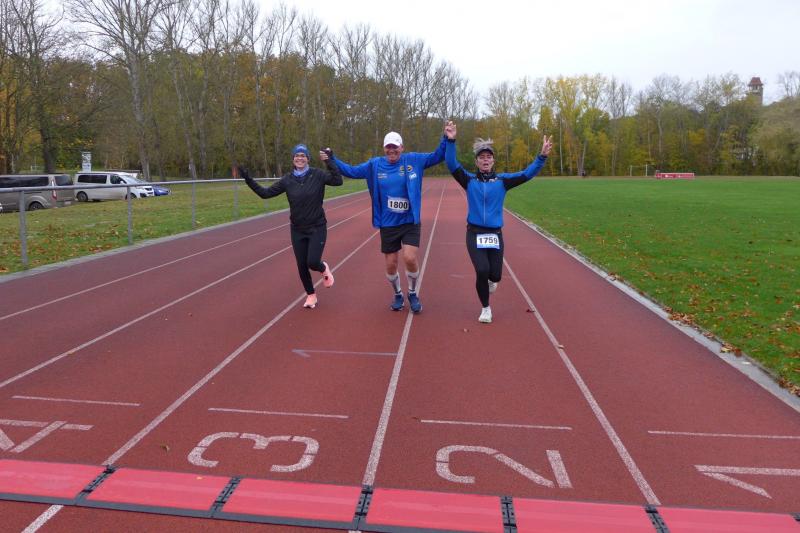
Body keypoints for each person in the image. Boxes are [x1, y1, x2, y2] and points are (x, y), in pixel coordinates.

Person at [329, 126, 448, 313]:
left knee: (409, 257)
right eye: (388, 147)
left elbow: (437, 156)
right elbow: (351, 171)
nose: (392, 150)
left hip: (409, 221)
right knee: (391, 264)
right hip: (388, 223)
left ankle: (412, 293)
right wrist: (332, 159)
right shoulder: (374, 165)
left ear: (402, 147)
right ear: (384, 148)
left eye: (395, 147)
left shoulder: (413, 160)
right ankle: (398, 294)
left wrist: (447, 139)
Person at [444, 122, 554, 323]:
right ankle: (486, 309)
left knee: (495, 276)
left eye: (488, 157)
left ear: (493, 160)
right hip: (474, 233)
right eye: (482, 157)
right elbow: (452, 164)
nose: (485, 160)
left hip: (495, 234)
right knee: (482, 270)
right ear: (477, 162)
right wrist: (451, 140)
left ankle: (491, 282)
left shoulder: (503, 181)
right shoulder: (469, 180)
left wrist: (542, 156)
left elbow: (527, 174)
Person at [237, 144, 342, 309]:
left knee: (312, 261)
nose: (300, 158)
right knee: (301, 265)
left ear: (308, 158)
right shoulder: (287, 180)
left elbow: (338, 181)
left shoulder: (317, 174)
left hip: (317, 226)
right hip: (297, 229)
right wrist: (248, 179)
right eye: (297, 156)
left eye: (303, 155)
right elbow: (265, 194)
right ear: (293, 159)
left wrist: (329, 162)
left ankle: (323, 268)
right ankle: (311, 295)